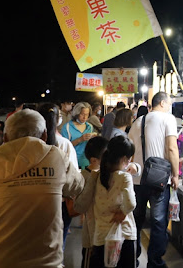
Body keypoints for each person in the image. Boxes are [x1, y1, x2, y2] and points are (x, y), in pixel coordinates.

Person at [0, 108, 84, 268]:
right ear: (43, 135)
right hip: (47, 261)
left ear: (6, 137)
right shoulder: (57, 157)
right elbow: (77, 187)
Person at [127, 92, 179, 268]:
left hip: (137, 180)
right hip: (159, 180)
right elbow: (172, 148)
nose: (170, 106)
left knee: (136, 221)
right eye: (170, 103)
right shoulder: (168, 118)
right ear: (163, 103)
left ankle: (132, 259)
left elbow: (130, 150)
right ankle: (155, 263)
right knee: (158, 222)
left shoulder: (138, 122)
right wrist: (176, 175)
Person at [76, 136, 138, 268]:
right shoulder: (124, 177)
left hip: (100, 237)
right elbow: (131, 204)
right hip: (124, 235)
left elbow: (81, 205)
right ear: (124, 159)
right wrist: (123, 212)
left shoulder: (96, 176)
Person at [37, 102, 80, 250]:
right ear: (57, 119)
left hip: (34, 202)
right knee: (57, 246)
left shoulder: (30, 143)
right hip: (58, 203)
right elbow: (73, 179)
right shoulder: (64, 144)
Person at [75, 135, 108, 268]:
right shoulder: (83, 176)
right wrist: (93, 179)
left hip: (107, 236)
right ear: (94, 160)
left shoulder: (108, 174)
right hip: (91, 237)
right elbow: (79, 206)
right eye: (106, 157)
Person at [61, 102, 96, 169]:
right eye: (82, 114)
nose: (85, 117)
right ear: (76, 114)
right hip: (72, 162)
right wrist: (79, 139)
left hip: (87, 162)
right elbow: (64, 147)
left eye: (87, 114)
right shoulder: (67, 127)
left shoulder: (89, 127)